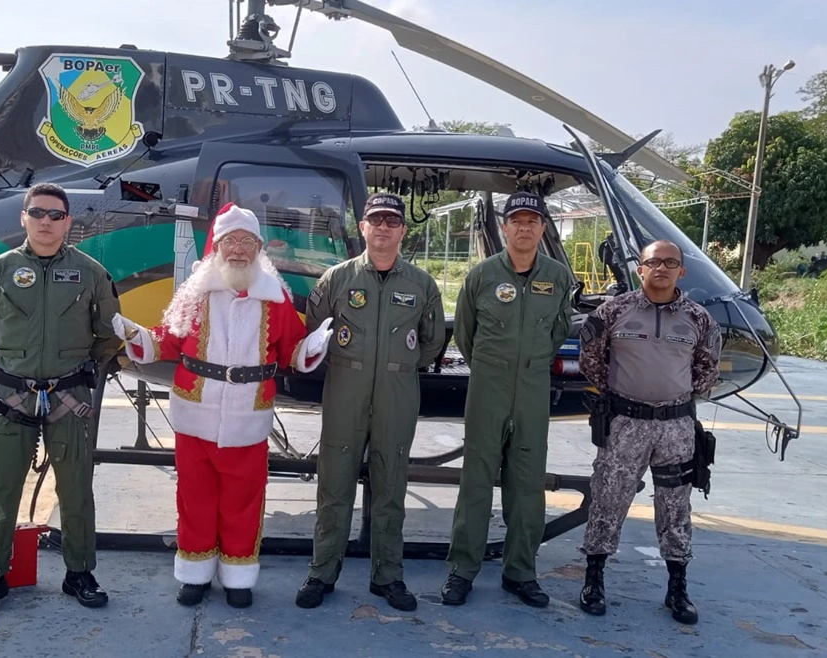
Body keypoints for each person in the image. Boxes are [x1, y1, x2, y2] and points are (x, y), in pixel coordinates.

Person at [112, 203, 333, 608]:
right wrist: (138, 336)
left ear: (258, 248)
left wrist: (312, 348)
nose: (238, 249)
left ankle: (238, 576)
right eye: (230, 240)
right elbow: (168, 338)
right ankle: (195, 573)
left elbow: (291, 350)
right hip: (195, 413)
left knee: (244, 499)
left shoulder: (276, 297)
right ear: (216, 244)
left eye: (247, 241)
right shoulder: (195, 291)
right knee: (195, 496)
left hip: (248, 416)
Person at [0, 182, 122, 615]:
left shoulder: (91, 273)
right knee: (0, 490)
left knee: (76, 490)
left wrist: (73, 371)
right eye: (38, 213)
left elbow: (108, 334)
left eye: (56, 215)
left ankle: (79, 573)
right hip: (11, 396)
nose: (46, 222)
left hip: (70, 396)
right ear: (23, 218)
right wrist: (18, 364)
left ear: (68, 221)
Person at [294, 192, 445, 612]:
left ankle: (388, 576)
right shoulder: (337, 279)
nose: (382, 227)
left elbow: (431, 344)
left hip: (398, 392)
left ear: (402, 230)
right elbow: (316, 331)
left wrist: (397, 365)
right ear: (362, 227)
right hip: (345, 389)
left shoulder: (421, 284)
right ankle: (322, 572)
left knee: (391, 485)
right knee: (334, 485)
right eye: (375, 220)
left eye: (391, 222)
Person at [576, 239, 723, 624]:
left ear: (681, 271)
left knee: (676, 507)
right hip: (625, 423)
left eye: (669, 262)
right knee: (608, 499)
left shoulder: (699, 319)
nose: (661, 268)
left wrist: (673, 398)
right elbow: (591, 358)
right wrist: (622, 395)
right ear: (640, 268)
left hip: (676, 428)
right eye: (653, 262)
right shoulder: (614, 312)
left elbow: (707, 370)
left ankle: (677, 588)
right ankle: (594, 580)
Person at [439, 191, 573, 608]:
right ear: (504, 227)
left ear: (543, 228)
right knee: (476, 481)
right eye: (517, 221)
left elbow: (559, 331)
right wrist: (496, 365)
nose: (525, 228)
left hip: (532, 390)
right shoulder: (481, 276)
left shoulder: (558, 277)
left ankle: (521, 572)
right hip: (488, 388)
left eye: (533, 221)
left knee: (528, 485)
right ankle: (462, 570)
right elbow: (466, 332)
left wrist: (529, 364)